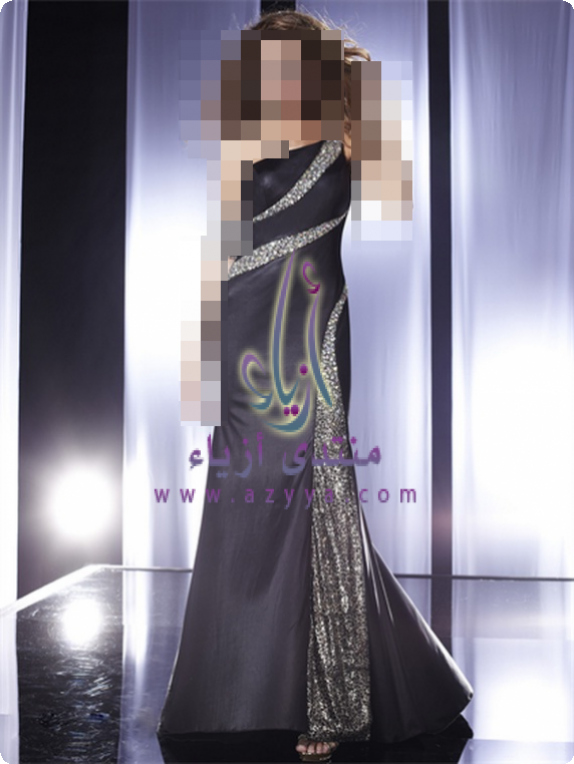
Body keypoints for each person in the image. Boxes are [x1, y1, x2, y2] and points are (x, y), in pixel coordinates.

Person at [157, 9, 473, 763]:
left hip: (313, 329)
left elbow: (391, 195)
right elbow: (218, 249)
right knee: (244, 501)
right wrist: (199, 367)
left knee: (322, 500)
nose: (268, 75)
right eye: (259, 64)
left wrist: (360, 91)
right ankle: (238, 687)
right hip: (243, 328)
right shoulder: (242, 135)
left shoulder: (351, 130)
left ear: (307, 63)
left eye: (280, 61)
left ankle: (335, 702)